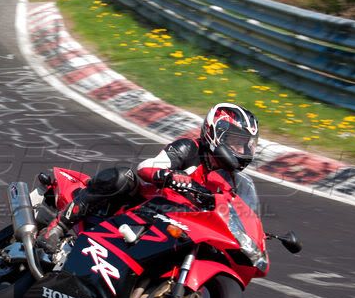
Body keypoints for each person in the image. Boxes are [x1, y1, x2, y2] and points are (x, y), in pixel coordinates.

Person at [37, 103, 260, 253]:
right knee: (123, 177)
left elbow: (232, 208)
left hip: (180, 223)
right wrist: (169, 175)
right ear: (216, 132)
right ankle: (58, 226)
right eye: (235, 141)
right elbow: (147, 167)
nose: (241, 149)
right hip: (143, 205)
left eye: (246, 144)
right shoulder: (189, 148)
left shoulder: (230, 180)